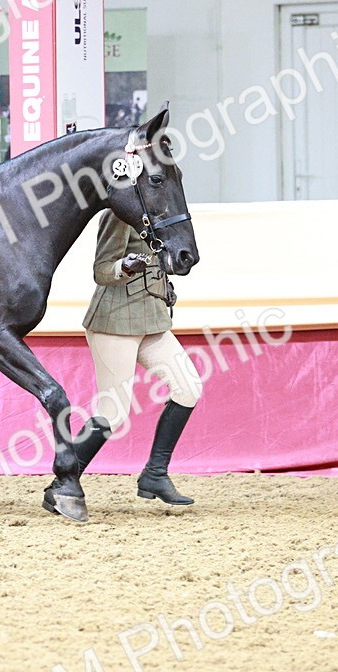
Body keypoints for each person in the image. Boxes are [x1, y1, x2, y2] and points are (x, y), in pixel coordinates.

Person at [46, 211, 203, 512]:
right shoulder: (119, 216)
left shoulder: (161, 215)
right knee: (113, 413)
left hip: (151, 320)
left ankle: (154, 475)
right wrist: (124, 266)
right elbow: (101, 270)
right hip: (114, 321)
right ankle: (63, 484)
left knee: (189, 388)